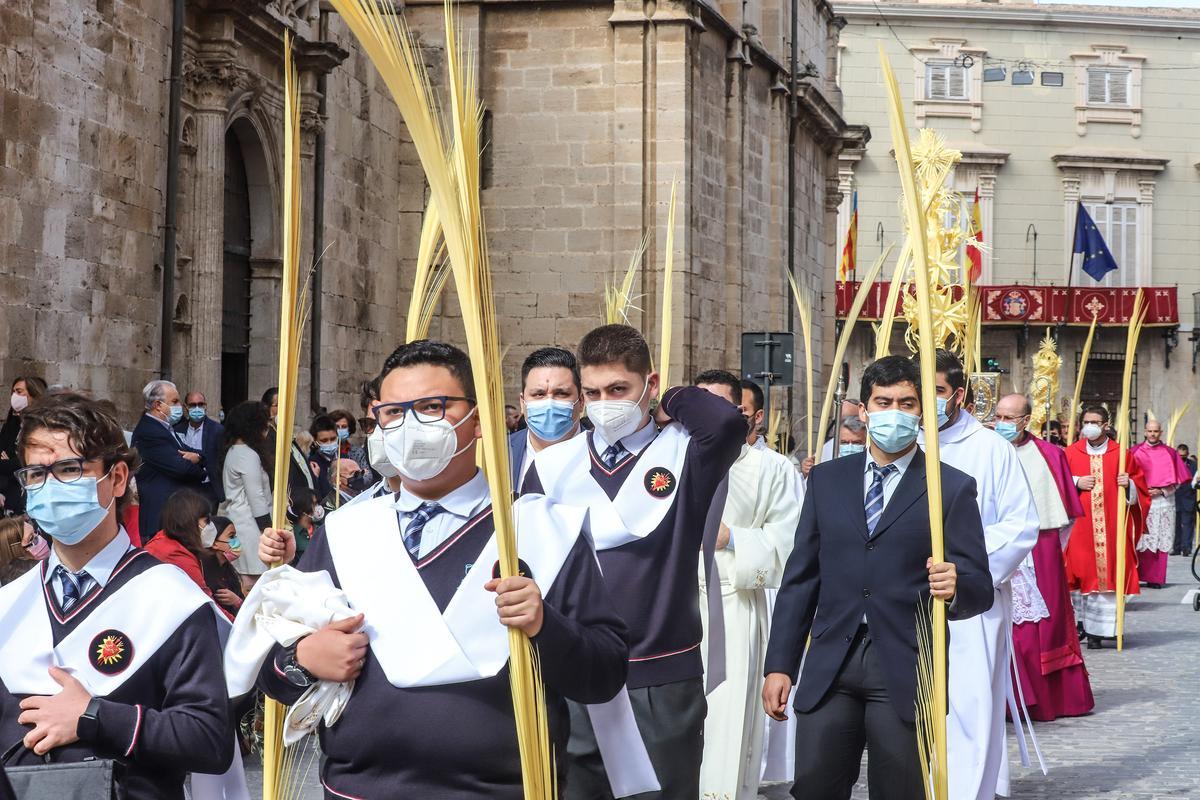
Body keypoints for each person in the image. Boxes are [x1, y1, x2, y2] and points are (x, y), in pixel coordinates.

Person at [246, 339, 629, 798]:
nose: (411, 426)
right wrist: (305, 659)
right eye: (393, 413)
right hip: (360, 788)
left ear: (479, 417)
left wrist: (545, 624)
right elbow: (272, 672)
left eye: (432, 407)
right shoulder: (347, 532)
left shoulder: (539, 530)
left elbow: (605, 673)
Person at [522, 324, 746, 800]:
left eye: (619, 389)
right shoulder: (553, 466)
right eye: (593, 392)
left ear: (650, 383)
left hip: (661, 674)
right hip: (577, 667)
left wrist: (677, 398)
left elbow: (727, 424)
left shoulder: (687, 453)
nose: (606, 403)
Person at [762, 355, 993, 800]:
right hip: (833, 662)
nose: (895, 412)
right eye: (883, 402)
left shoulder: (950, 486)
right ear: (864, 410)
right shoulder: (827, 480)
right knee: (813, 785)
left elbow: (979, 585)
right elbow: (802, 577)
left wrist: (957, 583)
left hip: (906, 663)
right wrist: (780, 664)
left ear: (922, 411)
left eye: (906, 403)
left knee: (899, 789)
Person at [0, 392, 233, 798]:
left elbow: (209, 739)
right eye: (36, 475)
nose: (50, 486)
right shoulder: (10, 604)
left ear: (118, 478)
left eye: (69, 469)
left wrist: (94, 717)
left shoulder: (170, 597)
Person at [916, 351, 1039, 800]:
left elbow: (1020, 525)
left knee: (967, 702)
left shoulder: (992, 450)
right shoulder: (902, 443)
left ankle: (968, 791)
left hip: (970, 601)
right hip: (906, 597)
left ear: (959, 395)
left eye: (938, 392)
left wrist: (964, 565)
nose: (927, 404)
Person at [693, 369, 803, 800]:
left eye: (722, 406)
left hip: (735, 602)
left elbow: (791, 542)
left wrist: (733, 537)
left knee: (728, 722)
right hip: (674, 606)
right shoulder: (666, 461)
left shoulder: (771, 468)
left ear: (741, 414)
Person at [992, 394, 1094, 721]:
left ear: (1026, 420)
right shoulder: (985, 451)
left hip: (1040, 547)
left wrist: (1048, 550)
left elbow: (1064, 514)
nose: (1003, 424)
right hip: (994, 543)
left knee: (1044, 626)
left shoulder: (1049, 455)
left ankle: (1046, 698)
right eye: (999, 416)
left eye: (1011, 418)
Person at [1064, 405, 1150, 648]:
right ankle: (1084, 627)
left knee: (1109, 574)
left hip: (1111, 530)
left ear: (1105, 425)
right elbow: (1057, 485)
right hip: (1080, 529)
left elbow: (1142, 491)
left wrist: (1130, 484)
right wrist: (1076, 481)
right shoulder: (1070, 453)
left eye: (1095, 421)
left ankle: (1106, 630)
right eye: (1086, 421)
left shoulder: (1122, 454)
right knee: (1080, 574)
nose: (1090, 426)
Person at [130, 380, 209, 543]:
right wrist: (202, 472)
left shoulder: (166, 428)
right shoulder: (149, 431)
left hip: (174, 516)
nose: (180, 406)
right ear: (158, 405)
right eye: (174, 401)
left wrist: (199, 458)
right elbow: (181, 468)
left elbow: (193, 453)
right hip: (161, 517)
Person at [509, 347, 585, 489]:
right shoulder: (501, 453)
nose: (549, 403)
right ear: (522, 402)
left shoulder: (605, 455)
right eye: (539, 394)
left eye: (561, 393)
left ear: (581, 401)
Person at [218, 400, 274, 590]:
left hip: (243, 522)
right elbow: (256, 496)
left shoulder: (236, 451)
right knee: (252, 582)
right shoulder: (246, 454)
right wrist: (268, 529)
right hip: (250, 527)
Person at [143, 489, 226, 614]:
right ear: (189, 520)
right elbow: (206, 604)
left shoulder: (166, 541)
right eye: (206, 520)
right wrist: (238, 628)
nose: (211, 526)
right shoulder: (174, 554)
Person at [1130, 420, 1191, 587]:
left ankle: (1155, 578)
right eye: (1149, 431)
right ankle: (1137, 576)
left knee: (1160, 539)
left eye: (1155, 431)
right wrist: (1140, 489)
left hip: (1163, 502)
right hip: (1141, 502)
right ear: (1144, 432)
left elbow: (1178, 481)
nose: (1152, 434)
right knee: (1140, 539)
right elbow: (1127, 477)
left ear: (1161, 432)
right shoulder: (1134, 452)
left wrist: (1162, 491)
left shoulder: (1170, 453)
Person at [0, 376, 48, 515]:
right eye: (13, 392)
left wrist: (9, 461)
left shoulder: (42, 426)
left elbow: (25, 463)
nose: (15, 396)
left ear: (34, 394)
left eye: (19, 391)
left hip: (25, 494)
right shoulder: (12, 421)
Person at [174, 391, 225, 507]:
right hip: (184, 487)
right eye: (192, 405)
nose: (197, 408)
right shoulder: (178, 429)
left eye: (200, 404)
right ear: (186, 407)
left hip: (208, 487)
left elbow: (221, 460)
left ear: (205, 406)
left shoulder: (217, 430)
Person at [200, 515, 244, 617]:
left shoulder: (228, 570)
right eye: (231, 536)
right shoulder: (202, 572)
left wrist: (237, 602)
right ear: (214, 543)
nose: (236, 541)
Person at [308, 414, 339, 500]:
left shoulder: (346, 458)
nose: (329, 443)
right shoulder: (312, 464)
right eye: (324, 440)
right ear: (315, 441)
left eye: (333, 439)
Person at [1174, 444, 1197, 556]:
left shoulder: (1194, 465)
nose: (1182, 458)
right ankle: (1176, 547)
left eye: (1184, 456)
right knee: (1176, 525)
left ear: (1187, 454)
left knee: (1187, 525)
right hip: (1175, 499)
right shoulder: (1173, 464)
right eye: (1179, 456)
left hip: (1188, 499)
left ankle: (1186, 548)